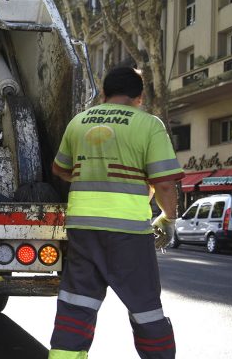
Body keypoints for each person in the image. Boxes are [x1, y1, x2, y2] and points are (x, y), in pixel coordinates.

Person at [48, 67, 183, 359]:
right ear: (139, 97)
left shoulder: (79, 122)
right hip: (129, 233)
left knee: (76, 304)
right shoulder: (148, 125)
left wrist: (90, 175)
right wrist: (168, 218)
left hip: (82, 228)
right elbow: (165, 183)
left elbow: (59, 169)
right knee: (145, 308)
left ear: (104, 93)